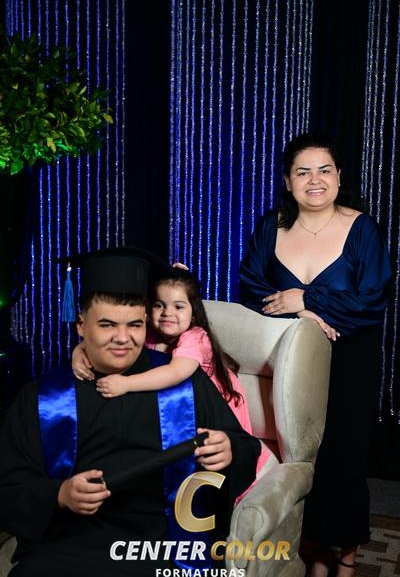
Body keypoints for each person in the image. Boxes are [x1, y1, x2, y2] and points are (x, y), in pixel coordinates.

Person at [0, 249, 261, 577]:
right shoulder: (43, 398)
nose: (122, 339)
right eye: (107, 325)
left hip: (164, 544)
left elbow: (243, 447)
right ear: (81, 325)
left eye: (134, 324)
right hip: (69, 543)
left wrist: (229, 450)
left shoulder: (185, 385)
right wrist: (60, 495)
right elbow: (10, 488)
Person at [239, 133, 391, 577]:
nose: (315, 180)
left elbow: (373, 298)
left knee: (345, 456)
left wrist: (307, 300)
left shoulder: (362, 229)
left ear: (339, 176)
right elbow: (250, 287)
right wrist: (300, 313)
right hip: (288, 362)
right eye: (302, 172)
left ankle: (347, 553)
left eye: (325, 170)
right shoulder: (271, 226)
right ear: (288, 181)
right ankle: (314, 548)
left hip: (350, 362)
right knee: (302, 455)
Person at [72, 267, 271, 486]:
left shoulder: (195, 337)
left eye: (178, 306)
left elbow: (175, 373)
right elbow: (113, 342)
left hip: (211, 407)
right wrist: (80, 350)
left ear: (193, 313)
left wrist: (126, 383)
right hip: (174, 405)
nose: (167, 313)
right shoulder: (148, 333)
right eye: (159, 305)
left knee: (210, 452)